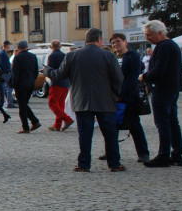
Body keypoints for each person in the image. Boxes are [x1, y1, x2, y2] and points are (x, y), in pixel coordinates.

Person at [42, 27, 123, 172]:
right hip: (105, 100)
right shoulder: (108, 56)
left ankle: (84, 164)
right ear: (99, 39)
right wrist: (116, 94)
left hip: (81, 100)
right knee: (110, 134)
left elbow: (59, 74)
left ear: (86, 40)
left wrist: (47, 70)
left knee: (85, 134)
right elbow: (118, 78)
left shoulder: (72, 55)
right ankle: (114, 163)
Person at [140, 20, 182, 167]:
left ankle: (164, 154)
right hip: (172, 88)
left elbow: (159, 70)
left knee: (163, 123)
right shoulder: (172, 45)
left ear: (159, 32)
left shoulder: (163, 47)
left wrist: (144, 77)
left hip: (163, 89)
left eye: (150, 35)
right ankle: (177, 154)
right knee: (172, 122)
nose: (148, 38)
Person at [103, 33, 149, 164]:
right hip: (113, 96)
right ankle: (111, 151)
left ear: (125, 42)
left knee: (134, 125)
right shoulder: (112, 57)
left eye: (118, 41)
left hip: (129, 96)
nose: (115, 44)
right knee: (112, 125)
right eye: (113, 43)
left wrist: (121, 94)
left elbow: (132, 77)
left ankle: (143, 153)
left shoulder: (132, 56)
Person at [10, 40, 42, 133]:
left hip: (21, 84)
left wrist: (13, 84)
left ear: (18, 48)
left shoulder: (17, 57)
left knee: (22, 106)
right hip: (31, 83)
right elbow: (36, 71)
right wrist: (32, 80)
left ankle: (26, 126)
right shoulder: (33, 56)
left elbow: (16, 73)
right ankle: (34, 121)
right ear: (27, 47)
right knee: (24, 104)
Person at [45, 40, 74, 132]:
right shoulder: (65, 55)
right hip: (66, 83)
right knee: (60, 105)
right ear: (60, 46)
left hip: (57, 82)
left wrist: (45, 72)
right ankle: (57, 125)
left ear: (51, 47)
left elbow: (50, 70)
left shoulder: (52, 56)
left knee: (52, 103)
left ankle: (67, 119)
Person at [0, 40, 15, 107]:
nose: (9, 46)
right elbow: (3, 64)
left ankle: (8, 102)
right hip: (5, 73)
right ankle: (10, 103)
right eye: (9, 44)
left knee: (6, 88)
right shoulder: (3, 53)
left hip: (5, 72)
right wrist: (7, 70)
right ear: (7, 45)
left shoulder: (3, 53)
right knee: (9, 87)